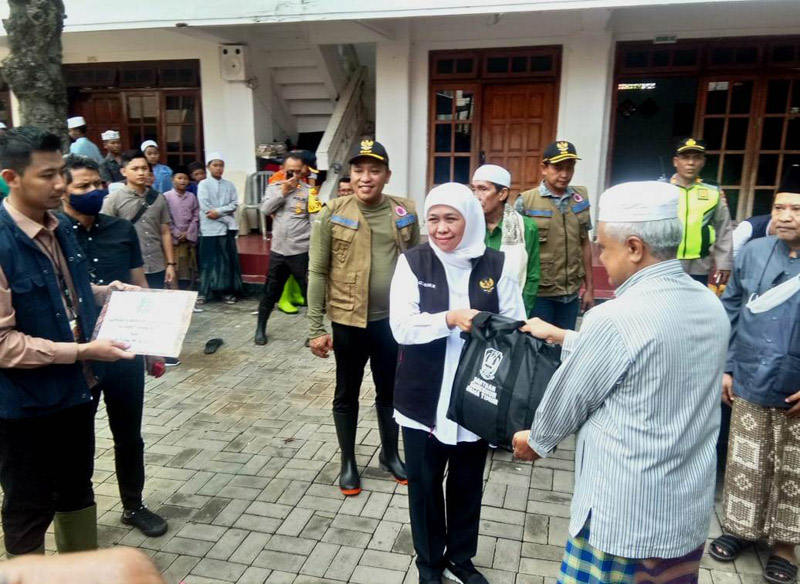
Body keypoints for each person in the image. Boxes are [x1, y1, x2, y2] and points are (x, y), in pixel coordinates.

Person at [512, 181, 730, 584]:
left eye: (604, 247)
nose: (600, 257)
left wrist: (537, 441)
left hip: (624, 513)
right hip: (683, 511)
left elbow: (572, 397)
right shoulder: (709, 304)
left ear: (634, 248)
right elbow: (648, 358)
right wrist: (563, 336)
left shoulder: (614, 318)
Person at [0, 127, 136, 557]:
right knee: (28, 505)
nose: (60, 184)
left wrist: (107, 292)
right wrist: (83, 352)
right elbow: (3, 344)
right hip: (25, 406)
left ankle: (80, 569)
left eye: (62, 172)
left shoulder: (59, 227)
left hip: (76, 392)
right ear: (11, 178)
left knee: (77, 490)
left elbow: (65, 294)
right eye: (47, 175)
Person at [390, 182, 525, 584]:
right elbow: (401, 327)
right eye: (433, 219)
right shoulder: (413, 263)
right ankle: (429, 564)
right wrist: (449, 319)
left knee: (467, 485)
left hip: (476, 397)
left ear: (471, 219)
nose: (441, 228)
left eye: (451, 218)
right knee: (424, 486)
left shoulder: (496, 265)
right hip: (423, 399)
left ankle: (460, 560)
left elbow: (515, 327)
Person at [58, 154, 169, 538]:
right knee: (78, 440)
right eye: (82, 186)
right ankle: (80, 512)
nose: (93, 191)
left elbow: (140, 284)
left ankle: (133, 505)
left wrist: (154, 343)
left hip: (124, 348)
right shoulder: (55, 233)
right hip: (77, 356)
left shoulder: (121, 229)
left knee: (129, 434)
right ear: (62, 189)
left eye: (97, 185)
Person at [308, 139, 419, 496]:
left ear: (387, 175)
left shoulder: (404, 212)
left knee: (390, 392)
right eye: (359, 170)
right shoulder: (332, 211)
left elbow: (417, 267)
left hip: (391, 323)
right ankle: (348, 462)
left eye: (374, 170)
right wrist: (315, 328)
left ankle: (390, 454)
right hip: (348, 322)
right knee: (346, 393)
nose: (366, 177)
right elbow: (317, 271)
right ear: (351, 175)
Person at [708, 165, 800, 584]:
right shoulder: (754, 252)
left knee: (793, 468)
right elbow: (731, 308)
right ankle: (740, 529)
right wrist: (726, 367)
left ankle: (784, 546)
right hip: (748, 376)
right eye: (779, 208)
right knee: (746, 458)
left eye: (795, 209)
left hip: (794, 387)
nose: (785, 216)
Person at [515, 141, 594, 330]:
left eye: (569, 168)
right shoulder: (526, 202)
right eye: (558, 168)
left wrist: (590, 288)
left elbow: (584, 244)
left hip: (570, 294)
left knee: (565, 343)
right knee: (537, 344)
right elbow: (514, 251)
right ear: (544, 168)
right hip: (539, 295)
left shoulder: (580, 198)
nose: (564, 174)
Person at [255, 152, 317, 345]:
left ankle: (314, 333)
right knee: (270, 292)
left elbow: (315, 222)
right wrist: (283, 192)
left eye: (298, 171)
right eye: (290, 171)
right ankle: (260, 329)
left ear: (303, 171)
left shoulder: (309, 192)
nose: (294, 175)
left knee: (309, 294)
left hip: (300, 251)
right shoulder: (274, 188)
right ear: (282, 170)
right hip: (278, 251)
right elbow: (265, 209)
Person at [101, 150, 176, 290]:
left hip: (156, 264)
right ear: (123, 171)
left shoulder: (158, 198)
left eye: (144, 168)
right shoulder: (113, 200)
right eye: (135, 169)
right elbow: (105, 235)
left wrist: (170, 264)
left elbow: (165, 232)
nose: (141, 173)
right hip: (127, 266)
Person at [472, 164, 540, 316]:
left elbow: (532, 276)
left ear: (502, 194)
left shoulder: (526, 227)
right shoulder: (467, 226)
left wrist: (521, 313)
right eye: (474, 189)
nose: (476, 196)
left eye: (483, 189)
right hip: (472, 310)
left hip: (511, 310)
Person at [669, 138, 734, 286]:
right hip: (665, 262)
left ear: (703, 162)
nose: (691, 163)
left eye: (696, 158)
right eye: (685, 158)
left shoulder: (713, 191)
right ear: (675, 161)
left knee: (694, 300)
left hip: (699, 264)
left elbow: (723, 228)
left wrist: (724, 263)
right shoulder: (663, 190)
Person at [197, 152, 243, 305]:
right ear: (208, 167)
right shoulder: (203, 184)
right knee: (208, 261)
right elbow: (205, 206)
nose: (218, 168)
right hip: (208, 228)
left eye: (221, 165)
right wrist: (220, 214)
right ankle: (205, 292)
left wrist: (218, 212)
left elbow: (234, 204)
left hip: (226, 228)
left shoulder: (229, 185)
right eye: (215, 165)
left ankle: (226, 292)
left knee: (225, 260)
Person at [164, 168, 200, 290]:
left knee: (190, 268)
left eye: (185, 178)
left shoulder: (192, 197)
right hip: (174, 240)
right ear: (172, 180)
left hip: (188, 238)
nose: (183, 181)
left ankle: (189, 291)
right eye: (179, 178)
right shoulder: (166, 196)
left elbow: (196, 215)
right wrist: (177, 233)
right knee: (175, 269)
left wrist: (188, 233)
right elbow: (166, 217)